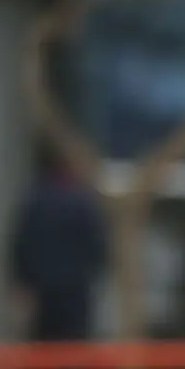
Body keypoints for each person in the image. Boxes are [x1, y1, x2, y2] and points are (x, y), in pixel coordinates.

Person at [10, 147, 107, 343]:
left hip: (44, 291)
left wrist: (21, 283)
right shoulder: (83, 204)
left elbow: (21, 246)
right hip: (74, 291)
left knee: (44, 347)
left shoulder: (36, 201)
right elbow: (97, 249)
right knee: (71, 348)